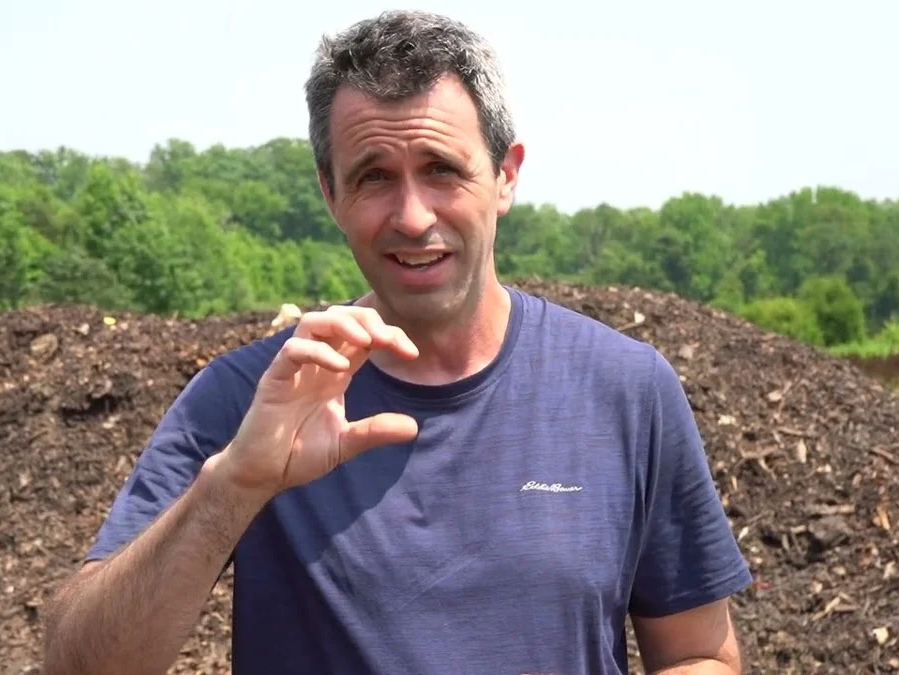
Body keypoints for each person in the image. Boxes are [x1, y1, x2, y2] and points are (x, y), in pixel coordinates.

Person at [42, 10, 753, 675]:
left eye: (442, 170)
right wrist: (234, 484)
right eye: (374, 177)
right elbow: (80, 663)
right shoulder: (250, 401)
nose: (413, 217)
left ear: (505, 175)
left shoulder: (625, 391)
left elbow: (701, 652)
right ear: (330, 193)